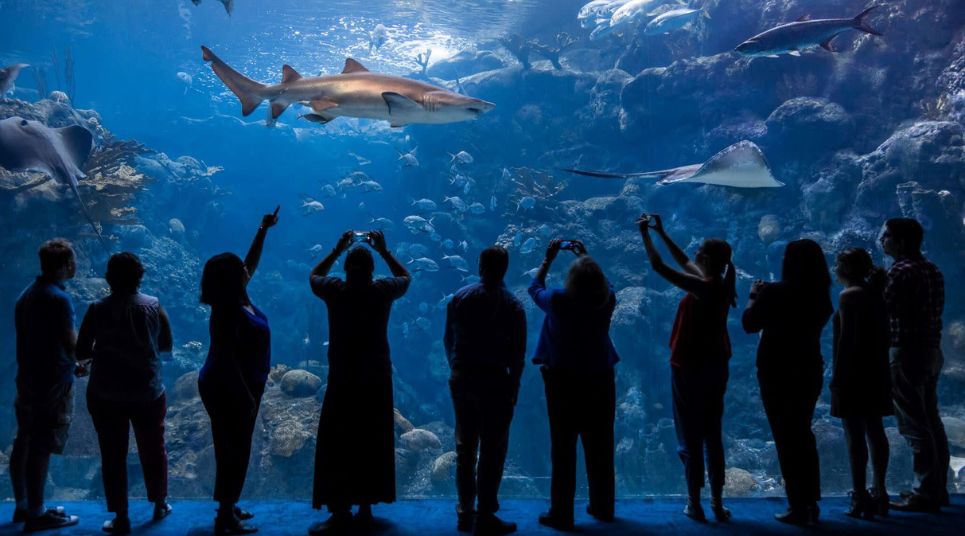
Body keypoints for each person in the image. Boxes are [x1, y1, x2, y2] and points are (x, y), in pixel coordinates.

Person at [309, 230, 410, 534]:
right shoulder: (382, 291)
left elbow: (314, 274)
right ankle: (366, 506)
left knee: (339, 440)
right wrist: (384, 250)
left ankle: (340, 510)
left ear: (346, 268)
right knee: (372, 438)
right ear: (371, 270)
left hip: (343, 377)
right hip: (377, 378)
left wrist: (336, 248)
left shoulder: (336, 290)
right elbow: (406, 277)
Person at [638, 214, 735, 523]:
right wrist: (663, 233)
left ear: (706, 259)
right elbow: (684, 263)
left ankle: (695, 502)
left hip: (690, 370)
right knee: (713, 434)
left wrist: (645, 235)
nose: (693, 257)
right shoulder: (718, 282)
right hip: (716, 368)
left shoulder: (704, 288)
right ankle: (718, 503)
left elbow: (659, 267)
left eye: (698, 254)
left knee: (690, 435)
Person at [76, 252, 174, 534]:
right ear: (140, 276)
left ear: (108, 279)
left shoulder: (97, 308)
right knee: (154, 448)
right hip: (148, 391)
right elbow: (166, 344)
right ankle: (159, 503)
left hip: (106, 393)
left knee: (112, 453)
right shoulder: (154, 306)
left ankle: (121, 515)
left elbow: (82, 350)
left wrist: (105, 353)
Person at [198, 206, 279, 535]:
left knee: (235, 446)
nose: (247, 269)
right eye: (240, 269)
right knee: (234, 448)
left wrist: (263, 230)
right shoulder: (226, 310)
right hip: (228, 386)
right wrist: (245, 395)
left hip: (242, 385)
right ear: (233, 278)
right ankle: (224, 517)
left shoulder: (239, 298)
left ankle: (228, 506)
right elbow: (228, 358)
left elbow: (252, 262)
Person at [529, 239, 618, 531]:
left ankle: (562, 513)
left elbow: (534, 289)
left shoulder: (558, 300)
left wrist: (547, 260)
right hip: (600, 379)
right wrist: (587, 257)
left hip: (563, 381)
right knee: (600, 445)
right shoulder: (607, 299)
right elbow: (607, 286)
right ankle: (603, 507)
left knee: (563, 448)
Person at [742, 239, 832, 525]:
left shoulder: (774, 291)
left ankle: (797, 504)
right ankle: (811, 502)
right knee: (803, 434)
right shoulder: (821, 296)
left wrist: (754, 296)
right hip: (808, 369)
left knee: (785, 437)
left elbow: (749, 323)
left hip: (777, 371)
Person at [444, 246, 526, 536]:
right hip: (496, 383)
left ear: (480, 266)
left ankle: (465, 510)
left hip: (463, 377)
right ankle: (487, 513)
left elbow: (448, 340)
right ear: (505, 269)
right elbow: (518, 354)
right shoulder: (513, 305)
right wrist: (513, 386)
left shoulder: (460, 298)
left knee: (465, 447)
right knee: (493, 448)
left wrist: (456, 368)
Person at [10, 239, 82, 532]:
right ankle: (38, 513)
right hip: (52, 382)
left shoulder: (26, 295)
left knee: (24, 440)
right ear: (66, 265)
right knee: (41, 445)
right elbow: (69, 341)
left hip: (28, 378)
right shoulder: (58, 299)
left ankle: (23, 505)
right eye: (72, 262)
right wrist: (85, 357)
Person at [879, 218, 948, 513]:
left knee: (914, 424)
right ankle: (937, 488)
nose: (882, 240)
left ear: (901, 242)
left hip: (906, 352)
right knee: (931, 419)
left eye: (887, 237)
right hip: (932, 350)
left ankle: (924, 492)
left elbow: (883, 307)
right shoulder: (932, 269)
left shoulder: (900, 271)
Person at [830, 248, 892, 519]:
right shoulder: (877, 293)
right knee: (876, 430)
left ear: (845, 268)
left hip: (855, 373)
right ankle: (880, 491)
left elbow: (847, 341)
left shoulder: (849, 295)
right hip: (877, 370)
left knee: (854, 434)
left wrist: (838, 377)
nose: (833, 269)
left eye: (836, 264)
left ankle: (859, 495)